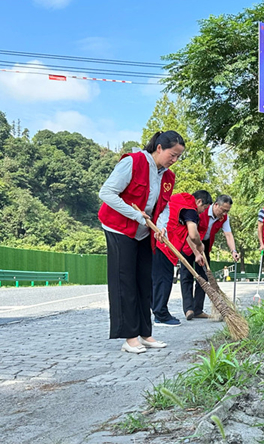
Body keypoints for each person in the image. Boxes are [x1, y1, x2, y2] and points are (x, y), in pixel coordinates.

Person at [98, 130, 185, 353]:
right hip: (119, 227)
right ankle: (129, 337)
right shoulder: (133, 162)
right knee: (124, 281)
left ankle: (146, 333)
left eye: (178, 157)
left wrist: (162, 226)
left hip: (144, 231)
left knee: (144, 281)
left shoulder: (167, 176)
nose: (174, 161)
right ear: (159, 148)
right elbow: (106, 193)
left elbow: (164, 207)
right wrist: (136, 215)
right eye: (172, 155)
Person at [152, 190, 212, 326]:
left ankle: (157, 310)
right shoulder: (190, 210)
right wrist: (200, 244)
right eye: (203, 208)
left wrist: (197, 252)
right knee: (164, 279)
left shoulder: (178, 201)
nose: (202, 212)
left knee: (157, 279)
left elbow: (185, 233)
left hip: (156, 240)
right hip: (164, 243)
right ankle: (161, 315)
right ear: (199, 201)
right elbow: (192, 234)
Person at [184, 194, 240, 319]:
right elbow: (189, 233)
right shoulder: (200, 211)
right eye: (223, 210)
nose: (224, 213)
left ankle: (197, 309)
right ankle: (188, 309)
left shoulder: (224, 218)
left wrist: (233, 251)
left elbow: (228, 234)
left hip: (205, 244)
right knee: (187, 275)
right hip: (189, 241)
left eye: (227, 211)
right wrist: (196, 253)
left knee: (204, 276)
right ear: (215, 205)